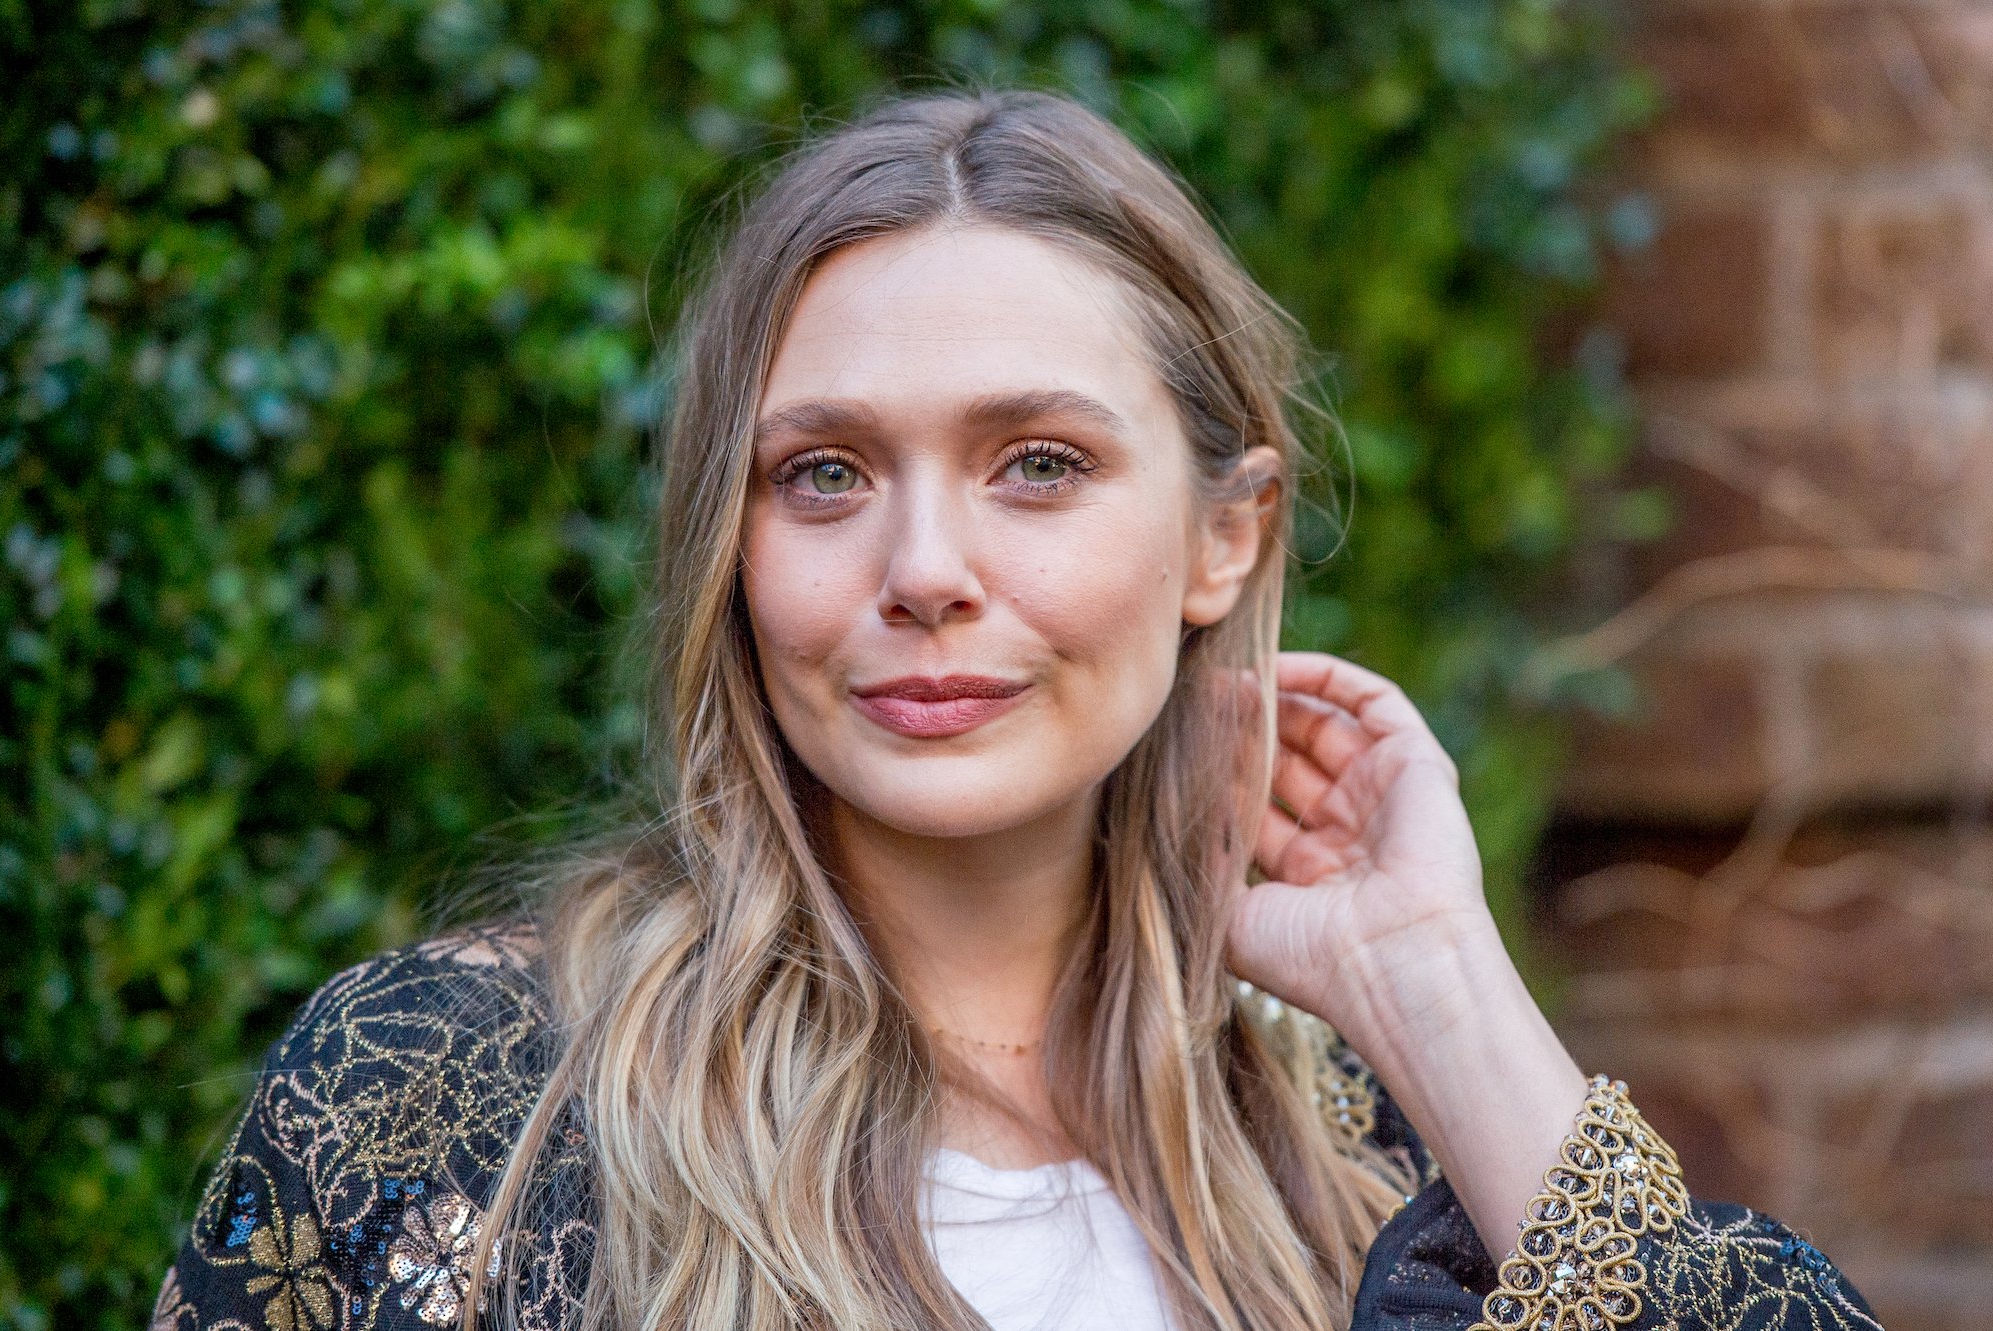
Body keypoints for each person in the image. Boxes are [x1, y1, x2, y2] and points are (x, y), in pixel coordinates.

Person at [148, 88, 1881, 1331]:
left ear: (1224, 535)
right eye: (824, 475)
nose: (923, 570)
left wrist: (1434, 983)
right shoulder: (449, 1097)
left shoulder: (1367, 1141)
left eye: (1037, 465)